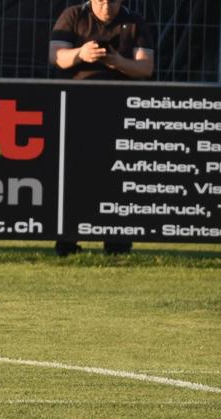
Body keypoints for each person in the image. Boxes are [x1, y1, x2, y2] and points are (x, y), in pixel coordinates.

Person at [49, 0, 155, 256]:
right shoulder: (73, 16)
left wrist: (117, 61)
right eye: (101, 1)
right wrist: (80, 54)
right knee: (75, 175)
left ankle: (118, 245)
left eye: (112, 1)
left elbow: (145, 67)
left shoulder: (135, 21)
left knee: (119, 177)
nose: (106, 6)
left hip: (121, 107)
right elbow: (56, 56)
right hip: (77, 104)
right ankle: (67, 242)